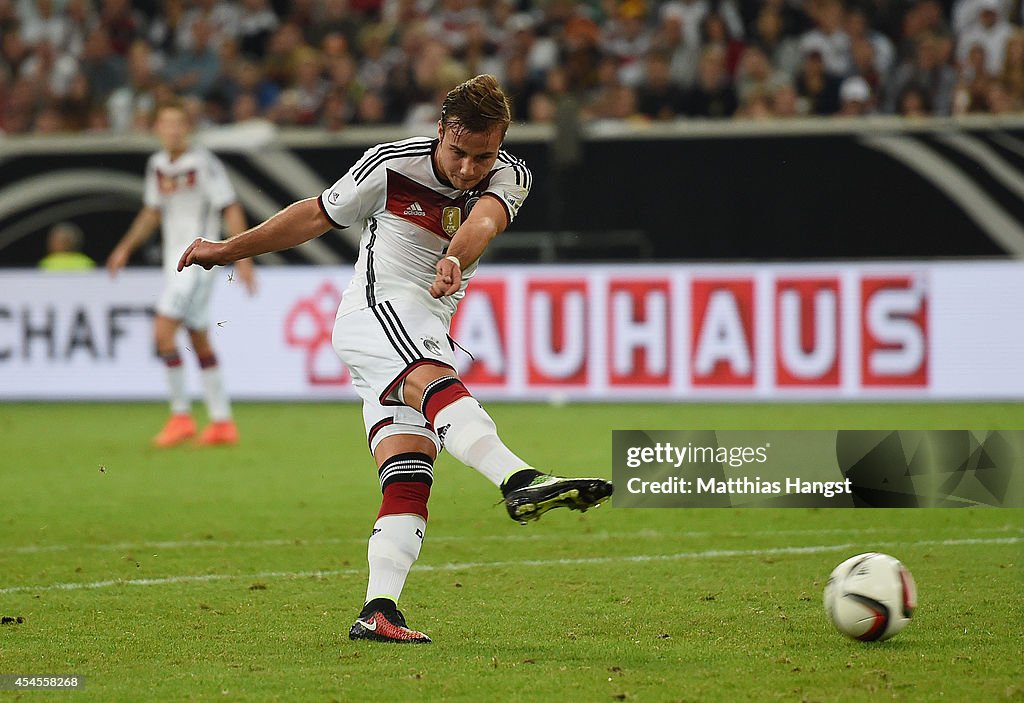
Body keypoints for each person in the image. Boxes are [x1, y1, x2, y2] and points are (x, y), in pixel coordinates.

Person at [178, 75, 613, 644]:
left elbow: (483, 221)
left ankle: (378, 610)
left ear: (501, 143)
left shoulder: (511, 174)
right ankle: (519, 478)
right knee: (437, 380)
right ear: (440, 132)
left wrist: (455, 256)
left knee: (408, 474)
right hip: (375, 311)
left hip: (423, 321)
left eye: (482, 156)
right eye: (458, 153)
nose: (467, 169)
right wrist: (228, 250)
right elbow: (314, 215)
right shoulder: (390, 165)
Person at [106, 97, 256, 448]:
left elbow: (229, 206)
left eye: (178, 123)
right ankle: (222, 422)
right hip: (173, 264)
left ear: (187, 128)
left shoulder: (203, 163)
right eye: (165, 123)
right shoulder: (157, 164)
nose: (172, 130)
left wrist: (243, 257)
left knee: (162, 332)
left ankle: (180, 416)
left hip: (198, 261)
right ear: (157, 128)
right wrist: (124, 247)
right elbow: (152, 212)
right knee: (198, 336)